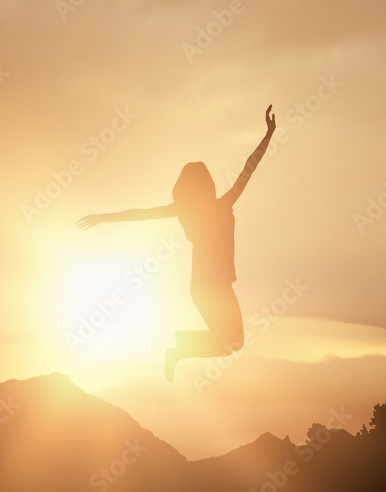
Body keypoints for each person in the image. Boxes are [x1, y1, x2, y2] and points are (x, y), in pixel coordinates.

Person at [77, 105, 276, 381]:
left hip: (207, 286)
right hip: (212, 287)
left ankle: (181, 346)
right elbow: (248, 170)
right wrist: (269, 134)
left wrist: (102, 218)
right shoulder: (220, 205)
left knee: (233, 342)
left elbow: (142, 214)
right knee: (233, 342)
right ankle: (181, 347)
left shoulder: (187, 211)